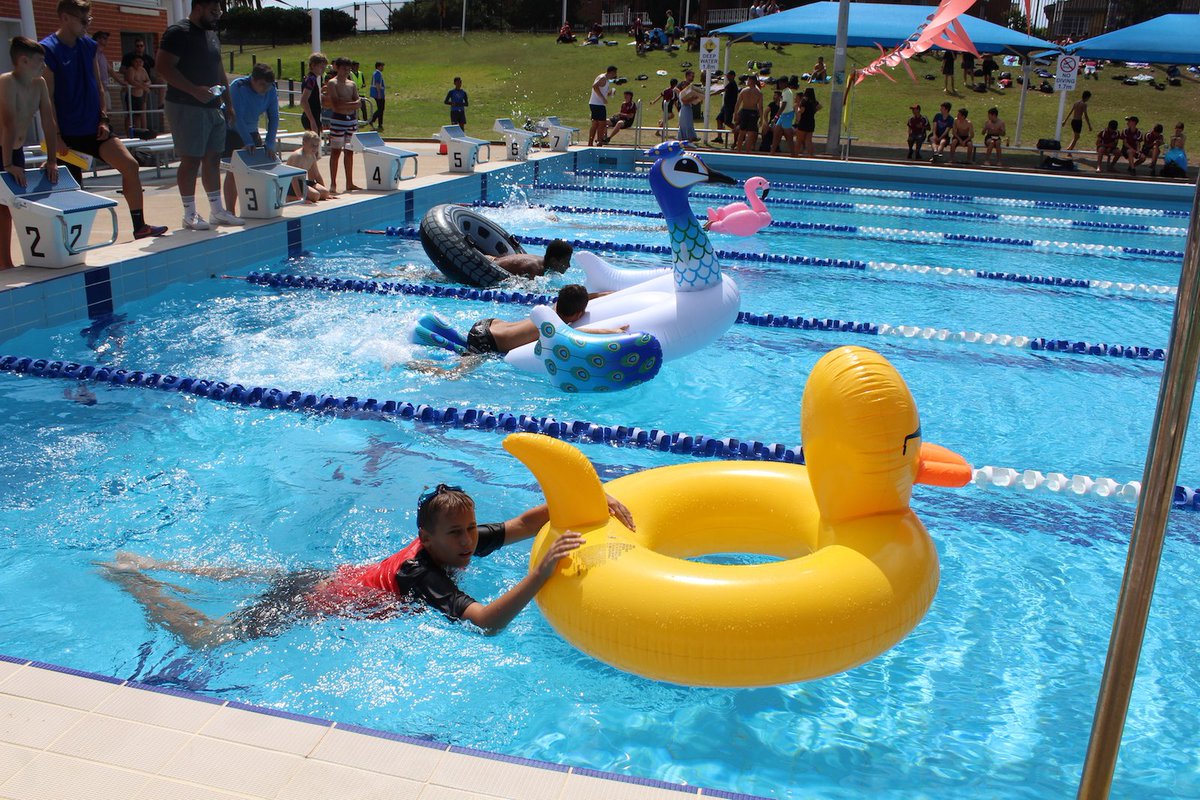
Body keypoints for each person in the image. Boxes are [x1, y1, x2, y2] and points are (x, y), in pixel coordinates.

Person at [98, 484, 636, 646]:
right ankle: (136, 580)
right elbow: (487, 624)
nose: (471, 541)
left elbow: (522, 522)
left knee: (259, 573)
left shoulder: (457, 544)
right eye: (457, 533)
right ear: (424, 538)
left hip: (336, 578)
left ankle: (153, 560)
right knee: (207, 637)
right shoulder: (423, 574)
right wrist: (538, 577)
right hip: (311, 602)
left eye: (472, 529)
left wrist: (593, 499)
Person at [41, 0, 167, 239]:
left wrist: (104, 119)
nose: (87, 25)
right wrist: (55, 136)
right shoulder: (48, 49)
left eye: (89, 20)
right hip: (67, 134)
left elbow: (98, 86)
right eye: (83, 21)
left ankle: (140, 226)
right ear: (65, 18)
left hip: (95, 127)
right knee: (74, 190)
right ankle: (69, 244)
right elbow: (46, 99)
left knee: (130, 165)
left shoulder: (88, 46)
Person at [157, 0, 241, 231]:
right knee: (191, 159)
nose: (217, 16)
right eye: (213, 11)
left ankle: (217, 211)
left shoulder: (211, 34)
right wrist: (194, 90)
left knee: (213, 158)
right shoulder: (178, 32)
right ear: (199, 7)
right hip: (186, 106)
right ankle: (190, 214)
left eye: (219, 11)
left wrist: (228, 103)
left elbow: (218, 70)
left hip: (213, 106)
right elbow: (163, 67)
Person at [0, 37, 60, 269]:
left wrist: (52, 159)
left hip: (15, 152)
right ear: (23, 61)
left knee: (14, 205)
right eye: (40, 61)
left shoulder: (39, 84)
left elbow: (48, 121)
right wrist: (7, 165)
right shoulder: (6, 82)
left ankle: (6, 261)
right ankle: (4, 263)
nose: (44, 66)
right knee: (3, 209)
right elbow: (8, 123)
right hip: (4, 152)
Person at [221, 63, 278, 216]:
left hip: (252, 130)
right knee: (233, 171)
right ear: (252, 79)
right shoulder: (238, 87)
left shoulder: (271, 90)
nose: (265, 89)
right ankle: (230, 211)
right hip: (232, 131)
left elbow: (273, 117)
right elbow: (237, 118)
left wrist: (270, 142)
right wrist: (247, 141)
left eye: (268, 86)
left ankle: (256, 209)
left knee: (258, 171)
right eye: (262, 85)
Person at [322, 56, 360, 193]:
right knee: (336, 152)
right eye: (343, 69)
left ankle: (349, 182)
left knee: (349, 152)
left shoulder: (352, 84)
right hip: (338, 120)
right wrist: (352, 104)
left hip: (351, 120)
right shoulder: (333, 83)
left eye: (348, 69)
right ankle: (333, 183)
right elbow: (336, 104)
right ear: (337, 68)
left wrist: (351, 105)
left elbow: (358, 102)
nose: (346, 71)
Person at [285, 130, 331, 203]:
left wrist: (326, 193)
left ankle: (301, 195)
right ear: (304, 143)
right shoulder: (298, 156)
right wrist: (300, 198)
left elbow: (317, 175)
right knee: (315, 196)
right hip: (289, 184)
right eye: (312, 145)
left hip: (301, 182)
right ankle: (290, 198)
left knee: (325, 193)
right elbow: (294, 179)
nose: (315, 148)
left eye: (317, 146)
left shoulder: (312, 156)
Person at [490, 238, 573, 278]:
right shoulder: (535, 269)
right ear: (554, 261)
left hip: (493, 259)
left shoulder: (543, 262)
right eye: (566, 261)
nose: (568, 266)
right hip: (488, 265)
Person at [732, 74, 763, 152]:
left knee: (742, 132)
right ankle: (747, 152)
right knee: (750, 133)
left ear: (752, 81)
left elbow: (738, 103)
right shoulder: (758, 92)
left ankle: (739, 151)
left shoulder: (744, 90)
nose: (747, 81)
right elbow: (760, 107)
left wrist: (735, 113)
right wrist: (761, 118)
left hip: (745, 111)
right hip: (752, 112)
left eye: (748, 80)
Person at [587, 65, 616, 147]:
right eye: (615, 73)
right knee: (601, 124)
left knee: (595, 123)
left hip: (596, 103)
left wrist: (610, 93)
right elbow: (595, 86)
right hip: (597, 104)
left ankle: (592, 142)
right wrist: (602, 98)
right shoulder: (603, 78)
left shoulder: (606, 80)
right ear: (611, 72)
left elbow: (602, 91)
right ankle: (598, 142)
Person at [299, 52, 327, 133]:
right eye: (321, 67)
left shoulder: (310, 78)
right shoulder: (311, 80)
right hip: (310, 117)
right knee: (312, 144)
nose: (323, 70)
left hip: (314, 115)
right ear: (313, 65)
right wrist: (312, 120)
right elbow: (304, 101)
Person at [791, 86, 820, 158]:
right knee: (808, 141)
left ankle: (795, 156)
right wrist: (813, 111)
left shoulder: (804, 101)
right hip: (811, 122)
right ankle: (811, 156)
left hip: (803, 122)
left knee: (799, 140)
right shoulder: (814, 101)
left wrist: (798, 108)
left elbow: (801, 111)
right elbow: (820, 106)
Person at [770, 76, 796, 155]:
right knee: (776, 133)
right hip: (783, 115)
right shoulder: (785, 91)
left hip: (787, 115)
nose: (779, 85)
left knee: (789, 136)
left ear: (785, 83)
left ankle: (793, 153)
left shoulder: (787, 92)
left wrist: (776, 117)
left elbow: (783, 105)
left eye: (781, 83)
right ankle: (772, 152)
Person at [124, 54, 150, 132]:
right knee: (130, 115)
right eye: (136, 61)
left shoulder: (143, 70)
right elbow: (131, 81)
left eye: (140, 61)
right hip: (131, 95)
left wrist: (147, 84)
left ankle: (137, 132)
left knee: (138, 116)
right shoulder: (131, 69)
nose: (138, 63)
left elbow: (148, 80)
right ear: (132, 62)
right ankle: (128, 133)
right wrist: (144, 87)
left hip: (140, 96)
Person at [712, 70, 738, 146]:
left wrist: (711, 94)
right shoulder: (730, 83)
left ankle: (738, 131)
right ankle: (719, 137)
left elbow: (721, 90)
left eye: (728, 75)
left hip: (730, 106)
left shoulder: (732, 84)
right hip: (726, 106)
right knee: (719, 119)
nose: (727, 77)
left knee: (727, 122)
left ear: (733, 76)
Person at [676, 70, 701, 143]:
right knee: (686, 124)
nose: (693, 77)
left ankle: (690, 138)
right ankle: (686, 140)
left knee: (689, 124)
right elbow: (684, 100)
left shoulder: (690, 86)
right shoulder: (684, 86)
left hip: (688, 108)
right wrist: (694, 98)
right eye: (691, 76)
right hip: (685, 108)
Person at [368, 61, 385, 130]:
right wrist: (379, 94)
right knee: (381, 109)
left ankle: (380, 124)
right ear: (378, 66)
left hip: (378, 93)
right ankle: (372, 120)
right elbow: (377, 84)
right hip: (378, 93)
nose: (383, 68)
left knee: (381, 109)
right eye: (382, 66)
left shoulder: (377, 73)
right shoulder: (377, 73)